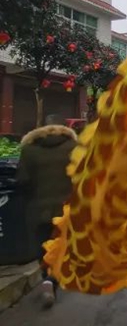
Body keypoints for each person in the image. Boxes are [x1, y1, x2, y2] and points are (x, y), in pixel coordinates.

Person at [16, 117, 77, 308]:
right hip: (66, 210)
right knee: (62, 248)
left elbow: (22, 181)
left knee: (43, 248)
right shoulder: (73, 147)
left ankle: (46, 280)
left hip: (38, 209)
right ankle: (52, 280)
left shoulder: (28, 150)